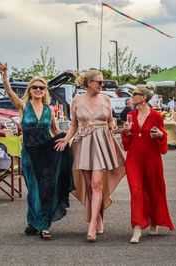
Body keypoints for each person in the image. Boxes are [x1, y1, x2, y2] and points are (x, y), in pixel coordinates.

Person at [0, 62, 73, 240]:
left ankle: (43, 225)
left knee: (45, 188)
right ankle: (33, 221)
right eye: (35, 87)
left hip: (46, 153)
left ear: (45, 91)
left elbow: (54, 130)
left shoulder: (49, 110)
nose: (38, 90)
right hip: (30, 153)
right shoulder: (23, 106)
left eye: (41, 88)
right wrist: (4, 75)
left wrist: (66, 138)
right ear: (30, 90)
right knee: (33, 189)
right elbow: (10, 93)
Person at [54, 70, 125, 243]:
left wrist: (113, 126)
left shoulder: (106, 100)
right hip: (83, 144)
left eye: (102, 82)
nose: (102, 85)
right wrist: (65, 140)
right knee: (88, 185)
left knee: (97, 184)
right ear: (88, 83)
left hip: (102, 144)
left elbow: (110, 123)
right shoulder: (77, 100)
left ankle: (92, 226)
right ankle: (98, 217)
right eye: (99, 82)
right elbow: (73, 125)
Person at [121, 85, 174, 244]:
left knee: (153, 189)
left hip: (152, 158)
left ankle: (154, 220)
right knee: (136, 190)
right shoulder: (130, 114)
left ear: (144, 97)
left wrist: (159, 135)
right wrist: (126, 132)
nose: (132, 96)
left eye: (135, 94)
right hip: (134, 158)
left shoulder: (156, 116)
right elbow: (127, 143)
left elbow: (163, 138)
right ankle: (137, 227)